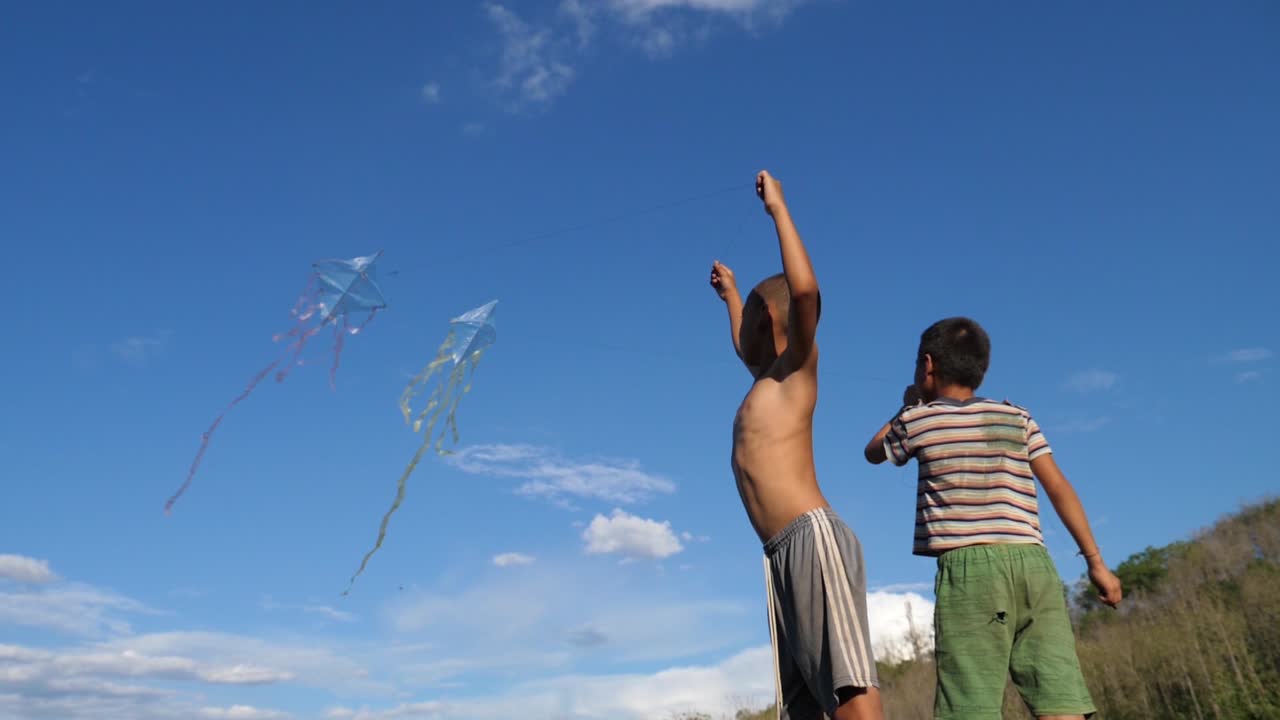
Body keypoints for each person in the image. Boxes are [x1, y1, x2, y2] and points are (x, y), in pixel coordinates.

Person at [864, 316, 1122, 720]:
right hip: (1034, 566)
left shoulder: (918, 420)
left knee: (970, 703)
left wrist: (910, 403)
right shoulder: (1017, 417)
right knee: (1060, 699)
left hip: (971, 572)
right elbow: (1058, 487)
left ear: (928, 365)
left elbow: (874, 451)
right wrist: (1095, 562)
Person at [710, 171, 883, 720]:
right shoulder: (765, 379)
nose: (742, 340)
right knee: (806, 702)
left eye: (748, 319)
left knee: (848, 686)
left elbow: (804, 292)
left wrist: (778, 211)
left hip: (811, 537)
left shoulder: (796, 371)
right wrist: (732, 295)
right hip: (778, 554)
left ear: (766, 321)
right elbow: (744, 348)